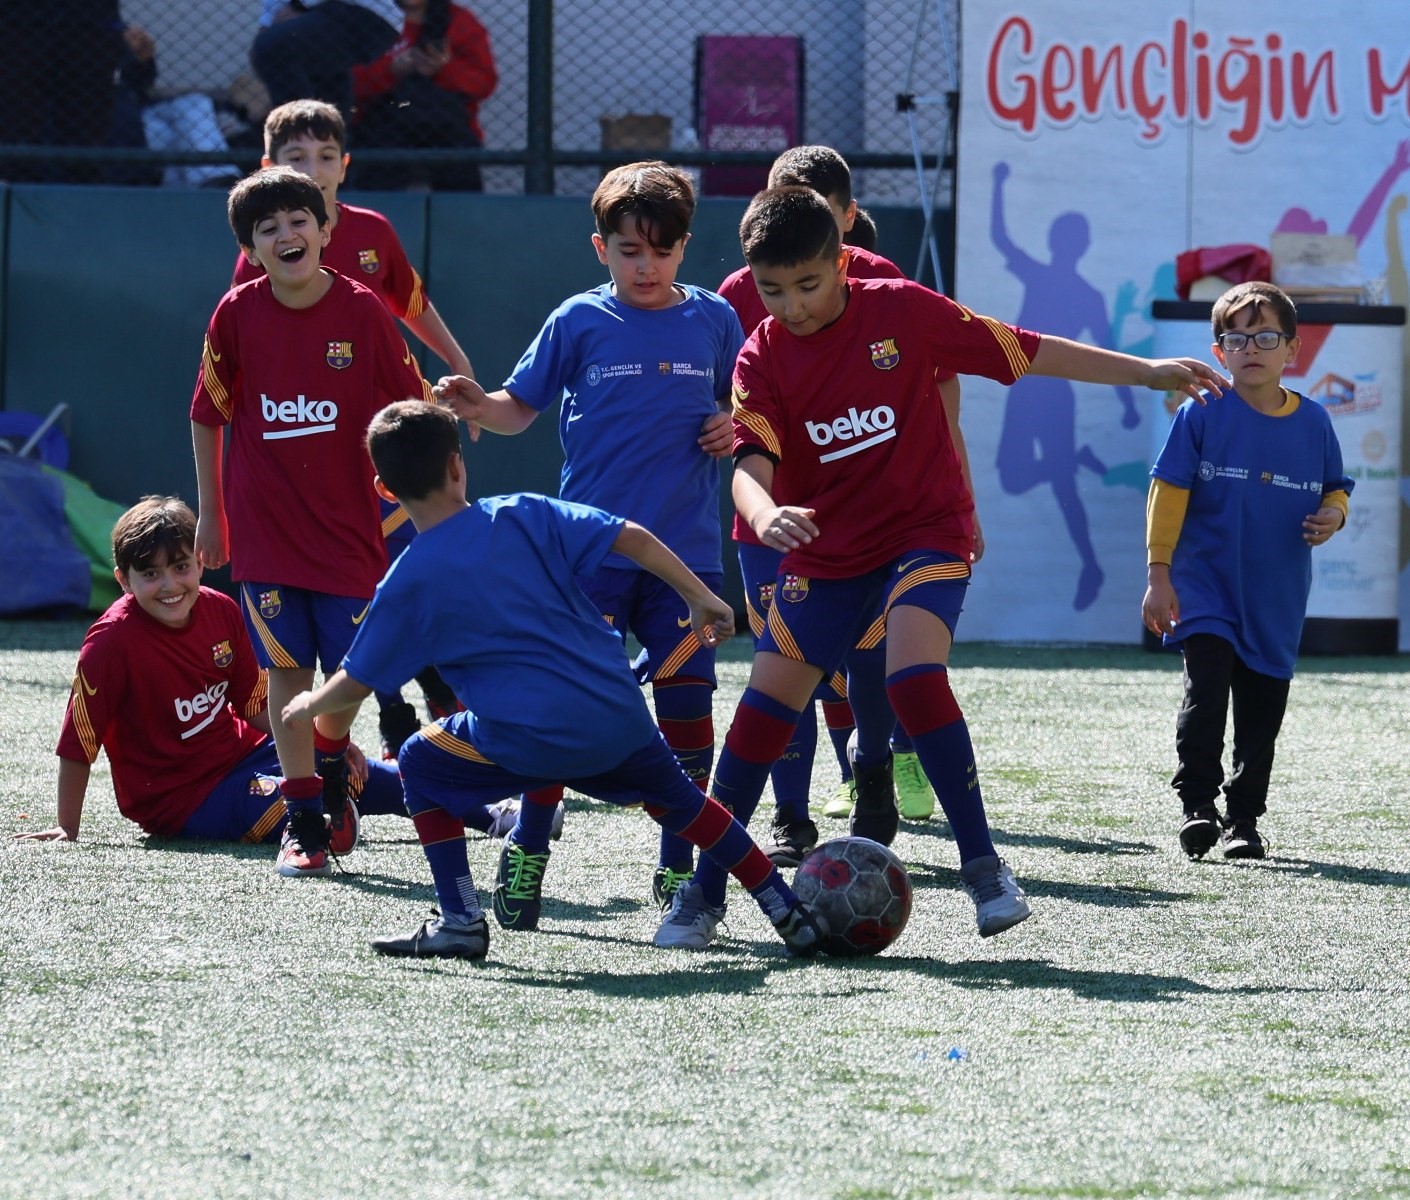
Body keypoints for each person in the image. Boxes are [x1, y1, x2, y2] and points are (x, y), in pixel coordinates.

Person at [659, 185, 1227, 949]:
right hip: (826, 556)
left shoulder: (902, 309)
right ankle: (702, 895)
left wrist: (1146, 371)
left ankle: (985, 870)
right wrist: (766, 517)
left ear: (841, 265)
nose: (790, 305)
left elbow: (1027, 348)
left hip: (926, 533)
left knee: (911, 676)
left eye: (807, 285)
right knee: (764, 708)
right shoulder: (761, 354)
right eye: (771, 290)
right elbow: (748, 466)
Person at [280, 399, 826, 960]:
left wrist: (306, 707)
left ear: (384, 489)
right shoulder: (523, 512)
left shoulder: (405, 581)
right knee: (686, 804)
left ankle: (461, 919)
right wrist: (702, 598)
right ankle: (784, 906)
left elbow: (352, 683)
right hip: (618, 719)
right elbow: (633, 536)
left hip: (527, 745)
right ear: (456, 467)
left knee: (418, 759)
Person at [433, 161, 744, 914]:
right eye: (630, 250)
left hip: (685, 562)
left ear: (684, 247)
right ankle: (531, 847)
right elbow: (516, 411)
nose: (647, 265)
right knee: (562, 716)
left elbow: (748, 407)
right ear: (598, 246)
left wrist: (736, 424)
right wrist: (479, 406)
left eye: (662, 250)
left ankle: (679, 871)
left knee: (687, 715)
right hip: (588, 558)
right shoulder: (576, 321)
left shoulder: (715, 320)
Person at [716, 145, 977, 860]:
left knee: (878, 665)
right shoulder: (739, 297)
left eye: (815, 216)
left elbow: (952, 382)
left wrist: (964, 491)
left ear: (845, 226)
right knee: (780, 672)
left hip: (875, 527)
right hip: (776, 521)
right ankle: (788, 819)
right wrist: (757, 495)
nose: (793, 301)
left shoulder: (887, 291)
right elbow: (736, 413)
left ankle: (878, 771)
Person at [191, 166, 434, 878]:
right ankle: (305, 820)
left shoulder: (363, 312)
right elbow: (207, 415)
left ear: (326, 230)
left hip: (349, 536)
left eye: (299, 220)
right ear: (252, 250)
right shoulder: (235, 314)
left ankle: (333, 765)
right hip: (265, 536)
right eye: (268, 229)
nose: (286, 234)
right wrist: (212, 514)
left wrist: (415, 502)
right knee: (286, 675)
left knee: (351, 677)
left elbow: (408, 414)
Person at [230, 98, 473, 757]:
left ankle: (441, 705)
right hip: (310, 471)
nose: (313, 168)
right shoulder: (253, 279)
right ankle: (381, 735)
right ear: (266, 170)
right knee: (343, 616)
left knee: (396, 583)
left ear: (345, 164)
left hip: (381, 451)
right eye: (294, 158)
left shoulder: (373, 236)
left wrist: (454, 367)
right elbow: (237, 376)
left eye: (324, 156)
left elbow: (413, 306)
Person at [12, 497, 406, 847]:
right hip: (183, 798)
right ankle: (330, 821)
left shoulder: (221, 611)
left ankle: (461, 800)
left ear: (199, 562)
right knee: (299, 811)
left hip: (245, 755)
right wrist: (68, 826)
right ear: (122, 580)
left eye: (181, 567)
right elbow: (79, 738)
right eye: (150, 574)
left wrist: (326, 744)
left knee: (357, 773)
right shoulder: (109, 642)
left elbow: (255, 706)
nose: (170, 585)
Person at [1142, 282, 1352, 862]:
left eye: (1265, 337)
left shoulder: (1313, 422)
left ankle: (1244, 821)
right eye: (1236, 338)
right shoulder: (1200, 413)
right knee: (1205, 695)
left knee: (1262, 715)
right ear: (1219, 352)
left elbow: (1337, 488)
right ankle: (1198, 807)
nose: (1250, 348)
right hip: (1204, 588)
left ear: (1293, 349)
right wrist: (1159, 572)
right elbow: (1167, 490)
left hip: (1276, 596)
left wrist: (1334, 513)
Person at [350, 0, 497, 192]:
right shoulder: (364, 18)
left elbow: (483, 83)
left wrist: (444, 68)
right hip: (383, 126)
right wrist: (391, 70)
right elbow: (348, 82)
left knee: (457, 163)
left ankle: (461, 215)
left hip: (446, 129)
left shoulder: (458, 20)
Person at [251, 0, 402, 120]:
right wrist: (266, 28)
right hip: (331, 13)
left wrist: (299, 6)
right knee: (320, 75)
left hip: (360, 12)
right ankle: (329, 138)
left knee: (273, 47)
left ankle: (299, 131)